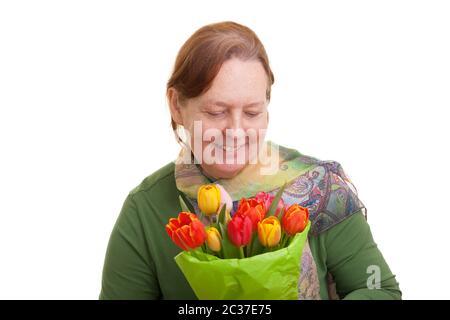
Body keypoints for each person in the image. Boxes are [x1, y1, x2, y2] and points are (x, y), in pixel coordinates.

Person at [99, 21, 401, 300]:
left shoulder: (320, 189)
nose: (236, 131)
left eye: (252, 112)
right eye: (216, 112)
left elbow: (377, 287)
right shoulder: (146, 208)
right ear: (177, 105)